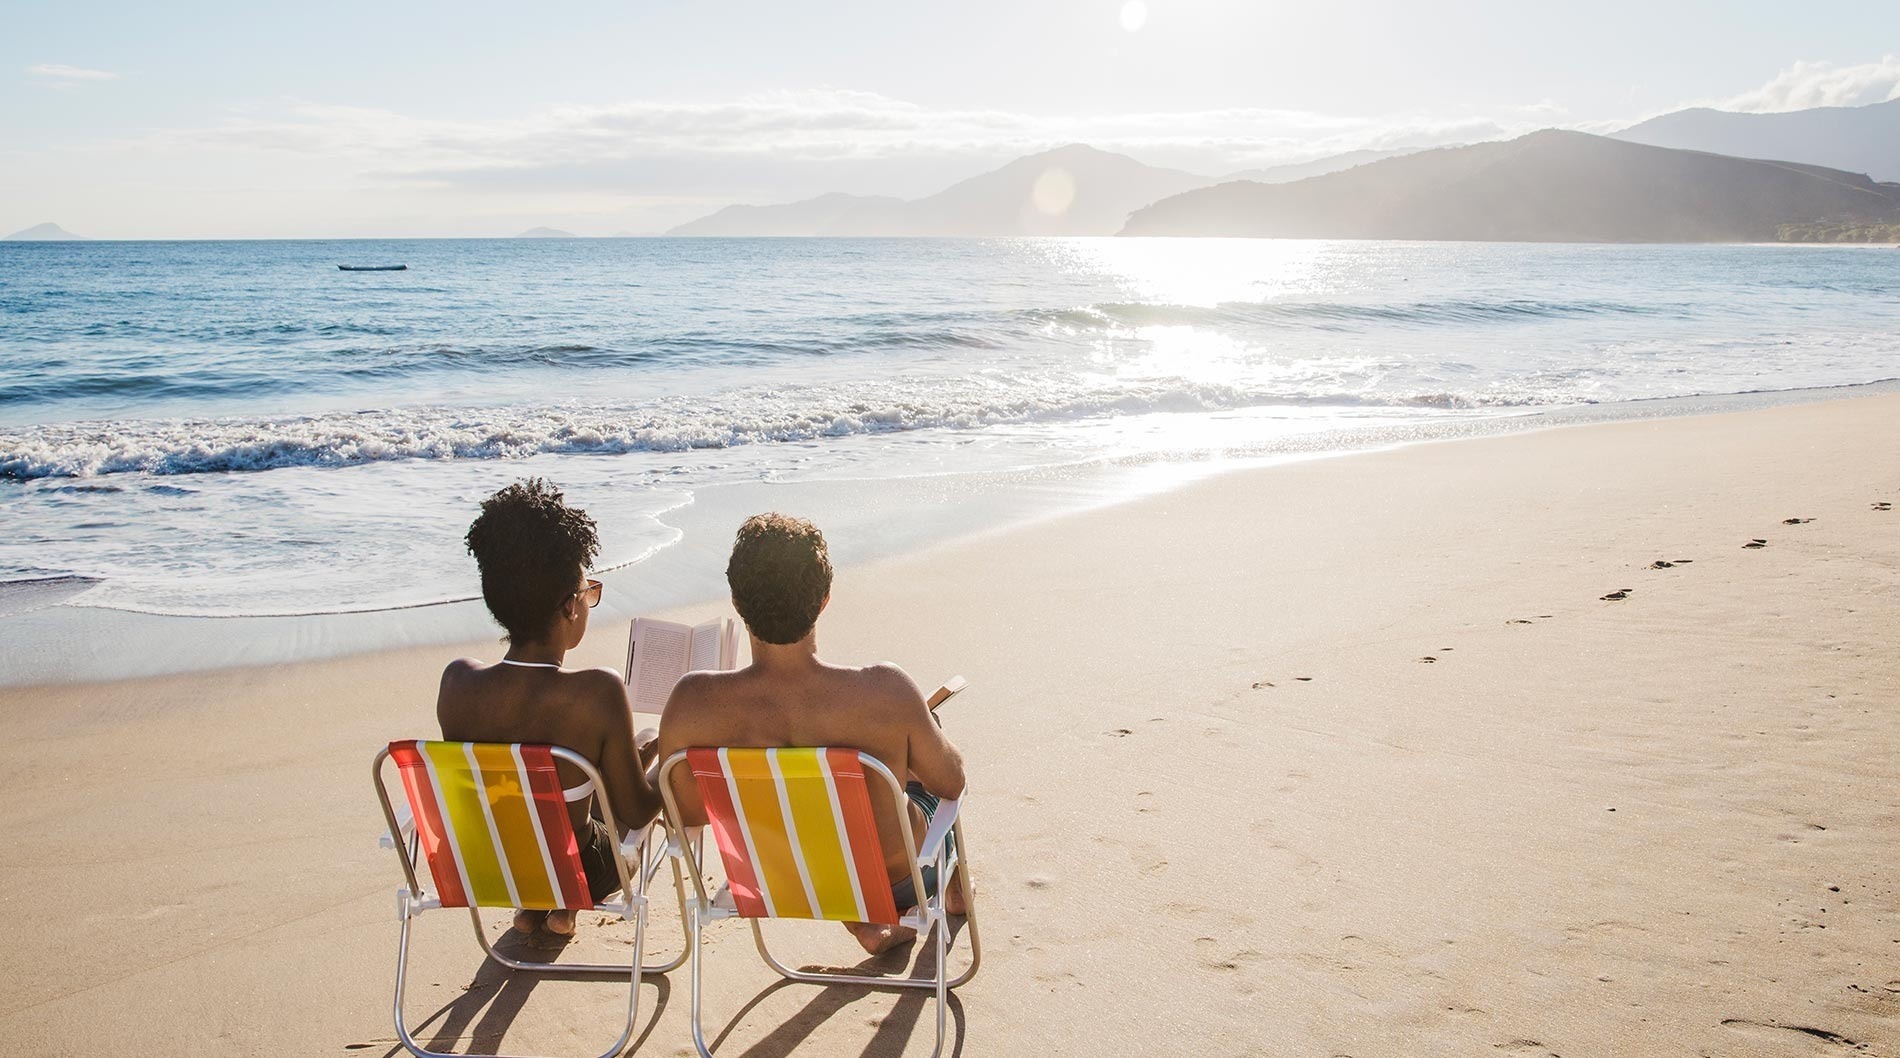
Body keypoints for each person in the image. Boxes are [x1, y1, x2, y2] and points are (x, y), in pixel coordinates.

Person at [656, 512, 969, 955]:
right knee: (924, 764)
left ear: (737, 601)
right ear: (823, 600)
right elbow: (952, 782)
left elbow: (683, 814)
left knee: (813, 810)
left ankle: (866, 924)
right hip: (896, 885)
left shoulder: (692, 703)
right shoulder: (885, 690)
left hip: (776, 881)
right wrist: (920, 733)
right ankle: (953, 894)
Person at [437, 477, 661, 940]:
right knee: (648, 771)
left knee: (582, 780)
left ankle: (537, 907)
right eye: (587, 590)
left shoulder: (457, 681)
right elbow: (636, 814)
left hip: (494, 866)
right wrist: (670, 761)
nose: (588, 599)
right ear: (569, 608)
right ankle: (563, 906)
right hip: (582, 869)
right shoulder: (598, 692)